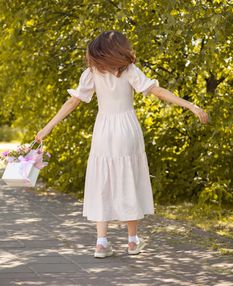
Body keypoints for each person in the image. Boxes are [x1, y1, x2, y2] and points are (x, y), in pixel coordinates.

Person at [35, 30, 209, 258]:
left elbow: (72, 102)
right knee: (129, 178)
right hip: (127, 128)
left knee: (102, 181)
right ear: (119, 50)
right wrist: (190, 105)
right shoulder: (130, 71)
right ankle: (132, 241)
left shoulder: (91, 73)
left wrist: (48, 127)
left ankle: (101, 242)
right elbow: (157, 91)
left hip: (104, 129)